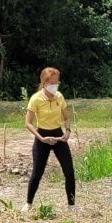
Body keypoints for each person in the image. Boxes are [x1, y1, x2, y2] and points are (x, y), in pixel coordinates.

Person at [24, 66, 75, 213]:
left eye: (57, 82)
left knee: (69, 171)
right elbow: (28, 123)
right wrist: (41, 138)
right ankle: (28, 204)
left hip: (58, 136)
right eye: (52, 83)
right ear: (44, 83)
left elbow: (66, 117)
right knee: (37, 173)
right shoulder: (36, 99)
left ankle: (72, 205)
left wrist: (67, 131)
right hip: (42, 137)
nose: (55, 85)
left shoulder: (59, 96)